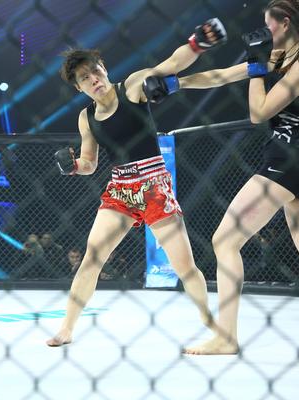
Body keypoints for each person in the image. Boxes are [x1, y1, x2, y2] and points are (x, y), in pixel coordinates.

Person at [153, 0, 299, 354]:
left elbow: (258, 113)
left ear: (285, 23)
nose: (264, 31)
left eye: (268, 24)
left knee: (225, 242)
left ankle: (226, 337)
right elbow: (222, 76)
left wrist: (257, 68)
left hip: (287, 164)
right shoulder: (280, 58)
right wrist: (174, 84)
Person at [46, 18, 228, 347]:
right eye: (85, 78)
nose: (93, 80)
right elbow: (89, 163)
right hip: (121, 190)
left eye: (95, 71)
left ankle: (211, 322)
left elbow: (171, 64)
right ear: (79, 87)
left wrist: (197, 44)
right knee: (91, 258)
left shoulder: (130, 87)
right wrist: (73, 167)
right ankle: (67, 328)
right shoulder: (86, 118)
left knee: (184, 266)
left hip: (154, 185)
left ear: (104, 69)